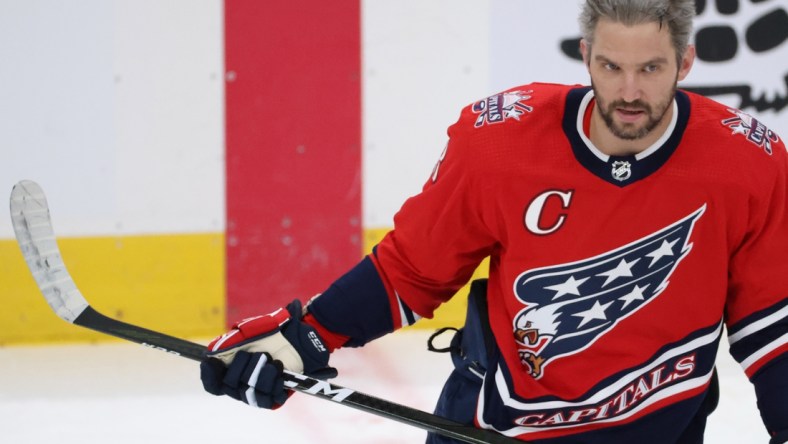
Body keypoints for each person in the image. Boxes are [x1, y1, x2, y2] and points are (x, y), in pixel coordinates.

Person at [200, 0, 788, 442]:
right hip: (497, 425)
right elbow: (410, 271)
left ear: (686, 60)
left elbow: (773, 328)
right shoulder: (501, 146)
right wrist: (306, 337)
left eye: (651, 69)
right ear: (584, 55)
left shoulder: (746, 164)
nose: (629, 92)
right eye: (610, 66)